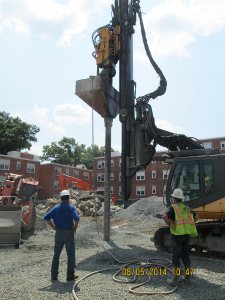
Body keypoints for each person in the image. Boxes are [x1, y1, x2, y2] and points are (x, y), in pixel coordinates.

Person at [163, 188, 198, 285]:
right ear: (182, 198)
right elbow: (196, 217)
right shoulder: (187, 208)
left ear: (174, 198)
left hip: (177, 236)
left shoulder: (173, 207)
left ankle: (175, 279)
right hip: (186, 235)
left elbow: (165, 216)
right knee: (185, 256)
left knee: (176, 257)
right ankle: (187, 277)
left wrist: (170, 224)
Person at [44, 189, 80, 282]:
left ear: (61, 198)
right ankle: (70, 276)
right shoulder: (71, 207)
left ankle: (54, 276)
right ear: (69, 198)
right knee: (71, 255)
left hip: (58, 233)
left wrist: (54, 227)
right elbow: (77, 218)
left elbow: (46, 218)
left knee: (56, 255)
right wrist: (75, 228)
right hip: (69, 233)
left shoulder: (56, 208)